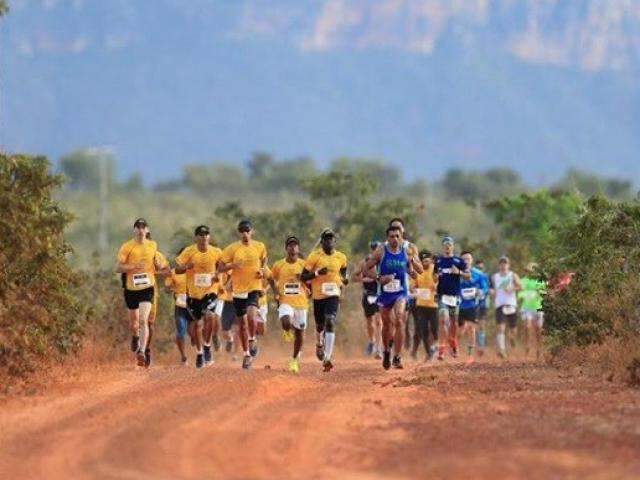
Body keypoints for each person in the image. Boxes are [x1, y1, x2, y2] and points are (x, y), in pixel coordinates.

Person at [364, 225, 423, 370]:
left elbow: (419, 270)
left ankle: (397, 356)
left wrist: (412, 263)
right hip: (385, 294)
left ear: (401, 236)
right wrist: (379, 278)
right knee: (386, 325)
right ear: (387, 238)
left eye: (397, 236)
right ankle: (386, 351)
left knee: (400, 318)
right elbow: (366, 268)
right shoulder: (381, 251)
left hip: (401, 292)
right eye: (392, 236)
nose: (395, 239)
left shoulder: (407, 250)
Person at [116, 218, 167, 367]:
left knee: (144, 320)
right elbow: (118, 268)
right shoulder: (127, 247)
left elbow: (158, 263)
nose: (140, 229)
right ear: (134, 230)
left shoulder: (153, 245)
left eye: (143, 227)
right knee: (134, 323)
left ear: (147, 230)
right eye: (137, 227)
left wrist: (158, 265)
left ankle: (142, 352)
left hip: (147, 287)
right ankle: (135, 336)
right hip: (131, 288)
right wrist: (133, 266)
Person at [218, 220, 268, 369]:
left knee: (252, 315)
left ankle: (252, 339)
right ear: (239, 233)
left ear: (252, 231)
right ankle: (246, 354)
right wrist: (233, 265)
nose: (245, 233)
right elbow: (220, 267)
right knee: (242, 324)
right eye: (242, 231)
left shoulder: (259, 246)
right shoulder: (232, 249)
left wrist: (262, 269)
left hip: (254, 287)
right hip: (238, 290)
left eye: (247, 230)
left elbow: (264, 259)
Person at [301, 229, 348, 372]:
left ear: (335, 241)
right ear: (321, 242)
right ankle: (319, 343)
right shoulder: (314, 257)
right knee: (320, 325)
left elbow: (344, 270)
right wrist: (316, 273)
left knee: (330, 321)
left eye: (331, 239)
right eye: (326, 239)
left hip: (333, 294)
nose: (329, 242)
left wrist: (345, 278)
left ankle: (327, 357)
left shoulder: (341, 257)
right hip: (318, 296)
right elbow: (303, 277)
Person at [175, 225, 222, 368]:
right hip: (194, 295)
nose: (204, 237)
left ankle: (207, 346)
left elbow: (222, 266)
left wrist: (217, 276)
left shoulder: (216, 252)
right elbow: (177, 269)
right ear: (196, 237)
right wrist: (186, 267)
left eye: (206, 234)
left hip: (210, 291)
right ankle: (200, 352)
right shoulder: (189, 251)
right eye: (201, 235)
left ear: (209, 237)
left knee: (209, 316)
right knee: (197, 324)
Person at [271, 236, 309, 374]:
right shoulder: (278, 265)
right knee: (286, 321)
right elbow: (271, 278)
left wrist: (305, 281)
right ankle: (286, 330)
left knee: (299, 333)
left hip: (301, 303)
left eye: (295, 245)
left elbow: (310, 281)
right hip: (285, 300)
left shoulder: (304, 265)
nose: (292, 248)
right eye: (290, 245)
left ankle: (294, 360)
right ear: (286, 248)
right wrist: (274, 292)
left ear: (298, 248)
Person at [435, 236, 471, 360]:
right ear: (442, 246)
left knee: (454, 322)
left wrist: (459, 273)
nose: (447, 247)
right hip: (442, 297)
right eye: (445, 244)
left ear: (453, 246)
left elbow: (468, 276)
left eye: (449, 244)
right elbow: (434, 277)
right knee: (443, 319)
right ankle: (442, 349)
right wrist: (435, 278)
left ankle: (453, 342)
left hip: (454, 297)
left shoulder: (459, 261)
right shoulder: (438, 261)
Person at [351, 241, 383, 359]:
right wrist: (365, 280)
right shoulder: (364, 262)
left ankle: (379, 349)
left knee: (379, 321)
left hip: (380, 294)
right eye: (373, 248)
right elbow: (353, 277)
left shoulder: (384, 262)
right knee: (370, 321)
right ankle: (372, 342)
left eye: (377, 248)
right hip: (368, 295)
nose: (375, 250)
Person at [410, 250, 439, 361]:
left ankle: (434, 347)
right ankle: (429, 353)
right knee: (423, 330)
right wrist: (414, 289)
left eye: (427, 261)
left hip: (433, 305)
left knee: (435, 330)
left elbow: (438, 282)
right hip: (421, 305)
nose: (425, 263)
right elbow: (412, 286)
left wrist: (436, 286)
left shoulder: (434, 269)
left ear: (431, 261)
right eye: (423, 261)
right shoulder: (418, 271)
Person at [491, 256, 522, 358]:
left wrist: (512, 288)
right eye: (502, 263)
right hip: (500, 304)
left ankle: (512, 338)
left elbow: (520, 286)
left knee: (513, 330)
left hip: (511, 304)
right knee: (500, 328)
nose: (503, 265)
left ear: (508, 265)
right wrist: (491, 292)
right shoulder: (495, 277)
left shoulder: (512, 275)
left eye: (505, 263)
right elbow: (491, 288)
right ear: (499, 265)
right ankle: (502, 350)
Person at [164, 247, 191, 365]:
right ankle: (184, 356)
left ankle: (201, 350)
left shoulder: (195, 271)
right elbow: (167, 287)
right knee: (181, 331)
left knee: (194, 331)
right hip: (180, 305)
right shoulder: (173, 273)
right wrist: (170, 289)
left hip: (194, 305)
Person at [458, 251, 484, 364]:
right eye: (464, 259)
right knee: (460, 331)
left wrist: (480, 292)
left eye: (468, 259)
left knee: (471, 329)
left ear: (472, 260)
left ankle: (470, 355)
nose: (466, 261)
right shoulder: (457, 273)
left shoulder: (478, 274)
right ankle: (455, 349)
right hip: (459, 306)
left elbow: (485, 287)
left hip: (473, 305)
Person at [518, 262, 546, 360]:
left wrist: (539, 293)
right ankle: (527, 348)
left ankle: (539, 349)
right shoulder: (523, 281)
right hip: (527, 308)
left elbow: (543, 293)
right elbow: (520, 294)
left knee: (539, 330)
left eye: (532, 271)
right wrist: (526, 295)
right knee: (527, 327)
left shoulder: (540, 281)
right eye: (528, 271)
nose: (530, 273)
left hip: (538, 307)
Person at [474, 259, 491, 356]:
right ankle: (476, 345)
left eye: (481, 267)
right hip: (473, 304)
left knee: (482, 324)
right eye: (477, 268)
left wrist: (483, 291)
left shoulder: (485, 276)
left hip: (483, 303)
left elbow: (488, 288)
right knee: (474, 325)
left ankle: (482, 346)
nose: (479, 269)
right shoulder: (472, 276)